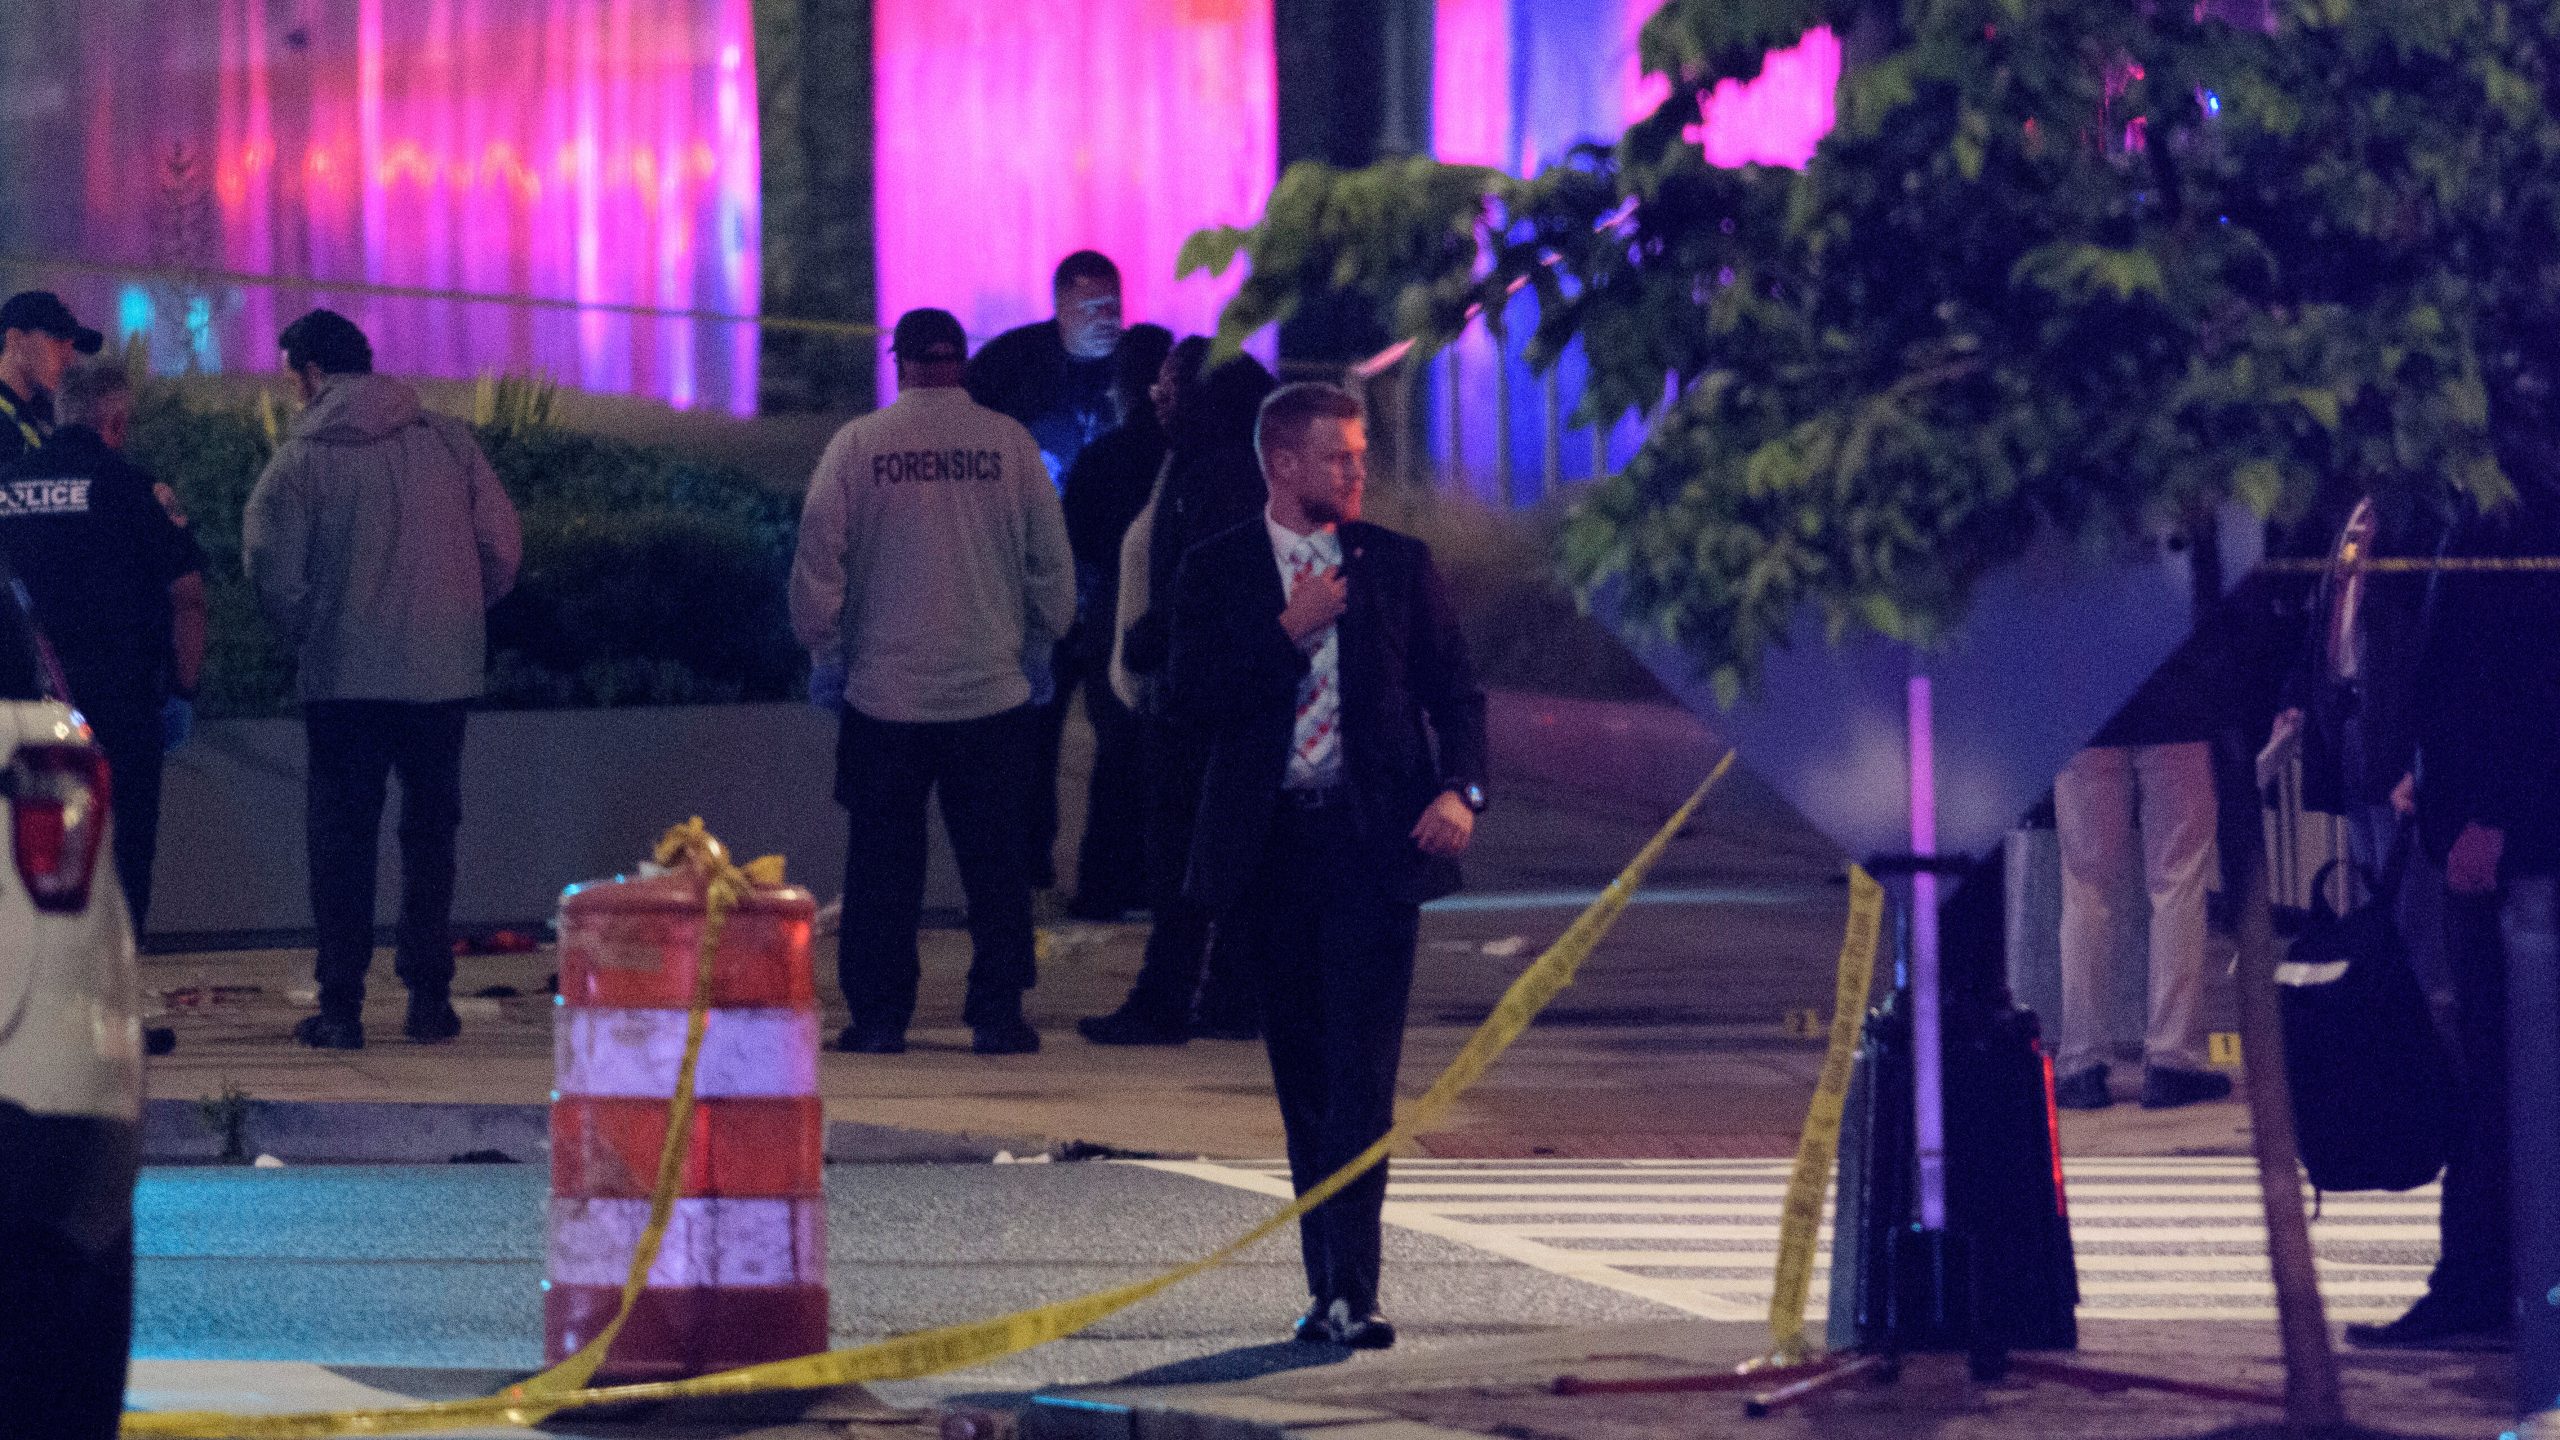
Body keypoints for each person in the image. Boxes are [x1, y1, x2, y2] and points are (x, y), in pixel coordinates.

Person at [1168, 381, 1488, 1347]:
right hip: (1269, 853)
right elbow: (1189, 703)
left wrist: (1460, 792)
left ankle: (1357, 1287)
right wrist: (1286, 631)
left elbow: (1458, 694)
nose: (1356, 471)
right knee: (1304, 1075)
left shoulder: (1396, 565)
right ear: (1283, 465)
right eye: (1337, 457)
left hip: (1372, 848)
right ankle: (1325, 1286)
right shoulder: (1217, 570)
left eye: (1360, 455)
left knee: (1362, 1074)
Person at [791, 307, 1073, 1056]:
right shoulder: (1008, 446)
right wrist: (1042, 642)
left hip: (884, 695)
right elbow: (1051, 558)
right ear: (963, 362)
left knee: (883, 869)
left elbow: (820, 558)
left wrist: (825, 654)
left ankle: (880, 1018)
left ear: (900, 361)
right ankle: (998, 1013)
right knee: (996, 865)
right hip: (992, 692)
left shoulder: (859, 445)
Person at [244, 309, 522, 1051]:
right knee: (431, 834)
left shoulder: (300, 461)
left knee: (342, 840)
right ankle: (429, 998)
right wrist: (460, 609)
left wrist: (311, 629)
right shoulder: (448, 441)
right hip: (441, 676)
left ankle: (340, 1008)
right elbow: (502, 545)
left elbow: (273, 572)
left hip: (343, 681)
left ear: (309, 373)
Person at [2348, 465, 2560, 1351]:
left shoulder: (2524, 509)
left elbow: (2529, 684)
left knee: (2511, 1073)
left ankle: (2486, 1281)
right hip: (2486, 827)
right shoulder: (2487, 506)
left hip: (2516, 846)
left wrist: (2496, 818)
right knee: (2500, 1069)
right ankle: (2486, 1278)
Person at [1080, 342, 1272, 1045]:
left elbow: (1216, 577)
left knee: (1185, 858)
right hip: (1184, 693)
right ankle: (1224, 997)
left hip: (1195, 700)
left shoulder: (1218, 473)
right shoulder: (1194, 464)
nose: (1157, 396)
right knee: (1201, 856)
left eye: (1171, 385)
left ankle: (1171, 999)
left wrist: (1156, 634)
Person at [0, 364, 205, 934]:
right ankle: (116, 998)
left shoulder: (8, 486)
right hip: (121, 708)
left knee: (30, 866)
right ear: (113, 421)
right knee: (121, 859)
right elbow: (187, 598)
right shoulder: (129, 487)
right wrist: (183, 692)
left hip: (24, 712)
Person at [967, 251, 1125, 890]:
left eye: (1113, 305)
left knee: (1121, 733)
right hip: (1033, 586)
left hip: (1116, 582)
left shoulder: (1138, 369)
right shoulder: (1012, 367)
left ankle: (1112, 875)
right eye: (1090, 308)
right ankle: (1027, 860)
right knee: (1033, 731)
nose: (1106, 320)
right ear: (1060, 307)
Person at [2050, 626, 2237, 1112]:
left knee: (2087, 889)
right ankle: (2171, 1061)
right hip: (2177, 702)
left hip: (2085, 704)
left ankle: (2081, 1063)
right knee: (2178, 884)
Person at [1048, 322, 1174, 920]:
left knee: (1117, 751)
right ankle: (1165, 879)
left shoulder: (1103, 458)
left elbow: (1074, 539)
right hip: (1181, 618)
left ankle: (1107, 882)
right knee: (1173, 754)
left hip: (1112, 618)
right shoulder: (1185, 456)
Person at [0, 291, 103, 463]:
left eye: (72, 347)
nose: (69, 359)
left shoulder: (49, 416)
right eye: (58, 343)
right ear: (15, 340)